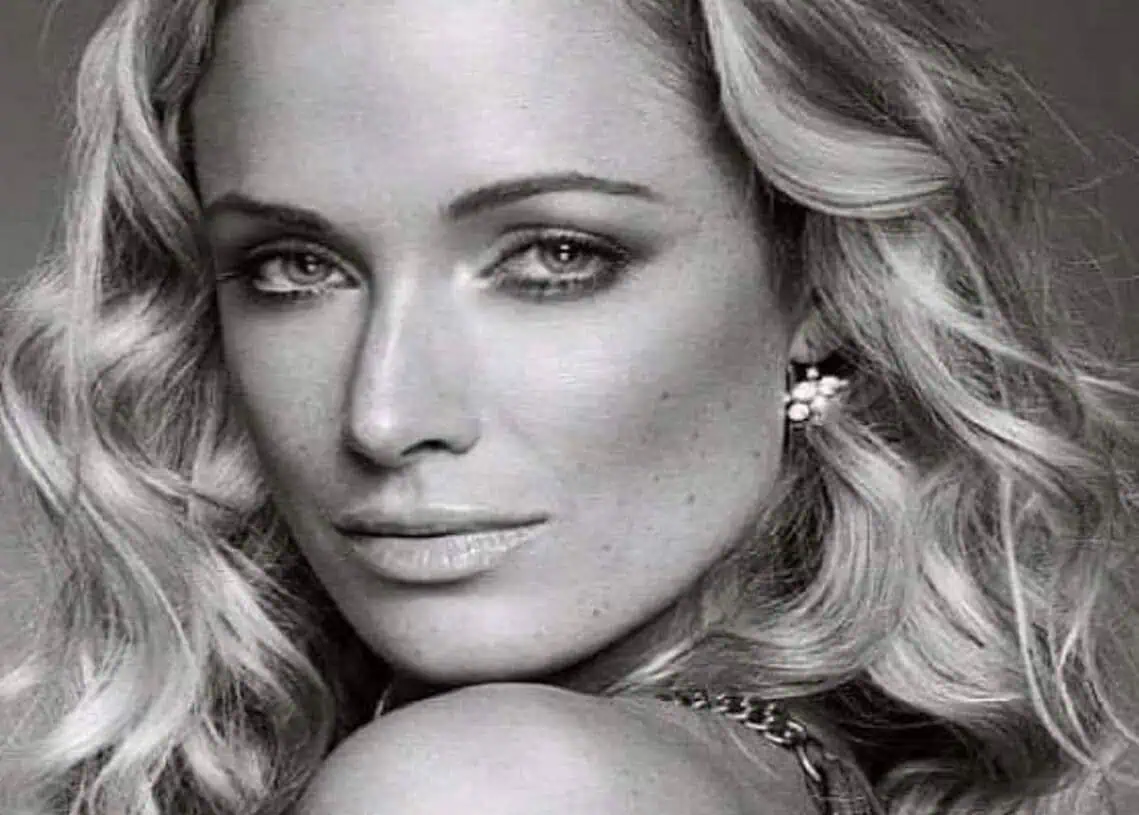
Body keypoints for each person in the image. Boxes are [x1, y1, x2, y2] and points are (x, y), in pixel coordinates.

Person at [1, 0, 1138, 812]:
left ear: (820, 280)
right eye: (294, 266)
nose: (382, 416)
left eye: (554, 255)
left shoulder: (484, 785)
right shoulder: (794, 772)